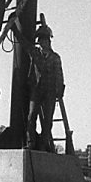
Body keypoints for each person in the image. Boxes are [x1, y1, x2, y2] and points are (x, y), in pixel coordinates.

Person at [14, 22, 65, 151]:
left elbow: (59, 74)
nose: (43, 43)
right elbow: (24, 44)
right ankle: (31, 142)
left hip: (50, 92)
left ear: (49, 42)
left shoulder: (55, 58)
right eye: (41, 41)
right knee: (31, 117)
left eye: (45, 40)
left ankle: (42, 145)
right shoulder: (35, 53)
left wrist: (59, 91)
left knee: (48, 121)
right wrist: (15, 30)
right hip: (36, 90)